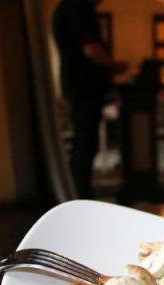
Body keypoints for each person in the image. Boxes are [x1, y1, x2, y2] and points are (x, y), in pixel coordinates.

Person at [53, 0, 127, 198]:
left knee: (85, 141)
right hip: (83, 86)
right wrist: (114, 65)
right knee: (86, 141)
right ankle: (78, 194)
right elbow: (91, 49)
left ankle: (77, 192)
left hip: (82, 86)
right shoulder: (77, 7)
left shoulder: (71, 8)